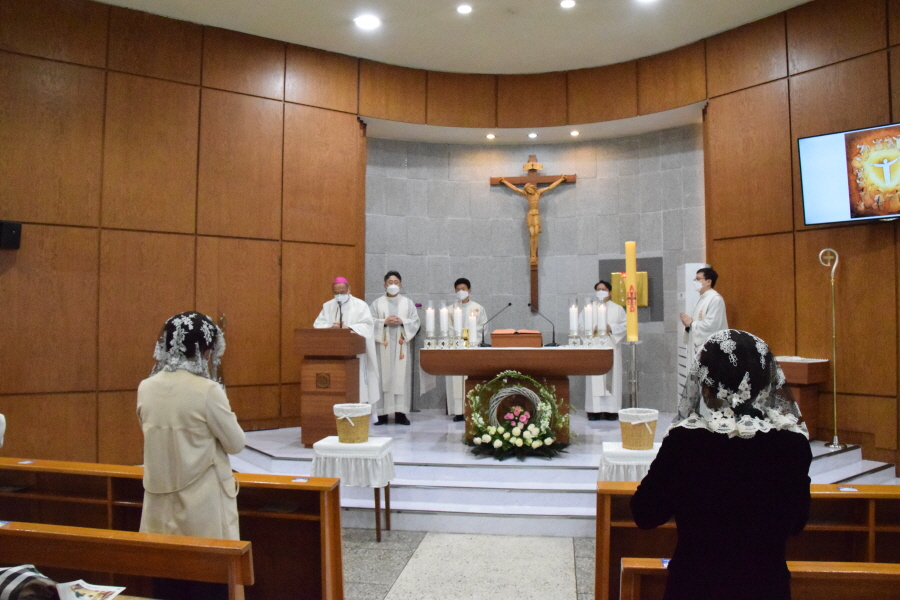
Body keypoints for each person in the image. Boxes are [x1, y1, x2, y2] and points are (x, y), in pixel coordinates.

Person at [631, 330, 812, 600]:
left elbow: (645, 513)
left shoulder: (686, 441)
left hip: (695, 587)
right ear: (764, 382)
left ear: (707, 385)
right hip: (765, 588)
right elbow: (797, 523)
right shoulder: (792, 444)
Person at [138, 312, 246, 600]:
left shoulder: (146, 387)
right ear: (206, 349)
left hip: (159, 503)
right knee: (208, 582)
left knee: (167, 581)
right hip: (203, 505)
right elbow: (236, 443)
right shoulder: (207, 390)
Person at [313, 276, 380, 406]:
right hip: (334, 354)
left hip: (356, 355)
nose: (339, 296)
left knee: (357, 387)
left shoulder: (360, 306)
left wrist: (349, 328)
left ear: (349, 290)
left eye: (342, 292)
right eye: (336, 293)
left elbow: (367, 326)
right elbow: (318, 325)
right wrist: (331, 326)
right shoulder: (328, 306)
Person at [370, 271, 420, 425]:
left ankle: (400, 413)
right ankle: (382, 414)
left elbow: (415, 321)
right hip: (382, 346)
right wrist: (383, 322)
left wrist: (403, 322)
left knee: (401, 378)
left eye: (396, 282)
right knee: (382, 378)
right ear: (384, 284)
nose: (393, 285)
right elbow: (369, 322)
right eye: (390, 282)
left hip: (400, 346)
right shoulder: (377, 303)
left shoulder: (407, 303)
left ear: (401, 285)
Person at [498, 175, 567, 265]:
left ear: (532, 188)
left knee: (536, 234)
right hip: (530, 215)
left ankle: (534, 253)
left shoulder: (538, 193)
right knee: (532, 234)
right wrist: (504, 181)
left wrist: (561, 180)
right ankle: (532, 254)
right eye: (527, 190)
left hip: (536, 215)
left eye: (529, 189)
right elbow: (515, 189)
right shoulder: (527, 195)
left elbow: (550, 187)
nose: (528, 191)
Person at [445, 277, 488, 422]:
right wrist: (460, 337)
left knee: (471, 378)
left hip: (472, 348)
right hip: (456, 349)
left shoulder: (478, 308)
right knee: (456, 379)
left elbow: (483, 327)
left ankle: (472, 409)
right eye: (458, 290)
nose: (460, 292)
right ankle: (458, 412)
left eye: (463, 289)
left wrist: (469, 337)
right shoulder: (450, 310)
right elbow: (448, 328)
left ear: (469, 290)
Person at [584, 280, 627, 421]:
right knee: (595, 377)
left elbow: (625, 325)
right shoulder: (589, 309)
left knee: (611, 377)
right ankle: (594, 410)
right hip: (594, 347)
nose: (601, 292)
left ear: (610, 292)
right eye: (598, 290)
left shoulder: (618, 309)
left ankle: (611, 410)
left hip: (610, 346)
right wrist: (592, 328)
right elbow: (580, 325)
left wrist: (611, 328)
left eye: (604, 289)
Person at [679, 267, 728, 361]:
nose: (695, 282)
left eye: (698, 279)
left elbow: (712, 325)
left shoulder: (715, 299)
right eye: (695, 279)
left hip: (711, 347)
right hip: (698, 346)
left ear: (708, 282)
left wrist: (691, 324)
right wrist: (688, 326)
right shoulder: (701, 298)